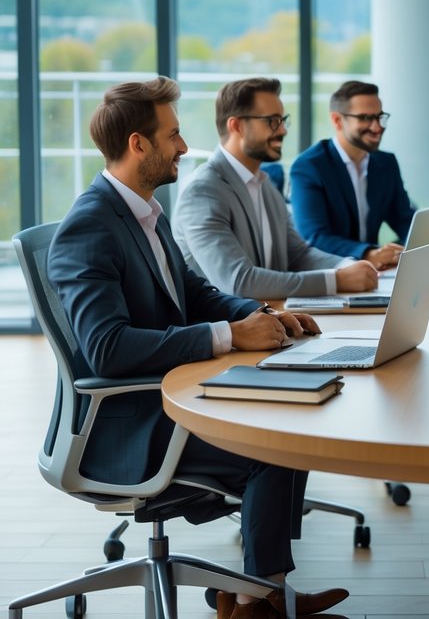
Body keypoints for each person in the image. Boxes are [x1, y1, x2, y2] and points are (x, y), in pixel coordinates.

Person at [47, 77, 348, 619]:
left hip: (167, 399)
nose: (184, 146)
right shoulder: (91, 227)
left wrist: (261, 316)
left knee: (293, 416)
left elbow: (197, 293)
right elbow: (107, 348)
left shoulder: (145, 212)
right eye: (173, 135)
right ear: (138, 144)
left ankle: (255, 591)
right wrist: (228, 336)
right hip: (126, 424)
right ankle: (259, 599)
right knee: (274, 444)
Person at [173, 77, 380, 300]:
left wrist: (348, 266)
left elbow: (298, 255)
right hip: (226, 321)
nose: (283, 130)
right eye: (272, 121)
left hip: (273, 315)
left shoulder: (266, 186)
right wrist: (336, 280)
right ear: (236, 126)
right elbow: (239, 281)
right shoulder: (203, 191)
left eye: (282, 120)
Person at [291, 80, 417, 269]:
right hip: (330, 272)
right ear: (337, 120)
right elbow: (315, 237)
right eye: (365, 118)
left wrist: (418, 246)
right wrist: (368, 254)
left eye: (379, 117)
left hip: (376, 273)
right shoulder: (309, 167)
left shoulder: (385, 163)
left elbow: (405, 220)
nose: (377, 127)